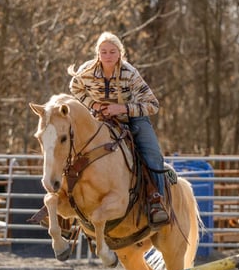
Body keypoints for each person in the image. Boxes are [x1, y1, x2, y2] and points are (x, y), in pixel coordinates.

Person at [68, 31, 169, 226]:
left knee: (153, 154)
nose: (107, 56)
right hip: (98, 118)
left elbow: (153, 105)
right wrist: (94, 105)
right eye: (103, 51)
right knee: (70, 144)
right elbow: (75, 87)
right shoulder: (86, 71)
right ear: (97, 53)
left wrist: (122, 108)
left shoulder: (129, 73)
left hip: (131, 118)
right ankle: (65, 198)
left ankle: (157, 202)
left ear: (120, 53)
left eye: (112, 52)